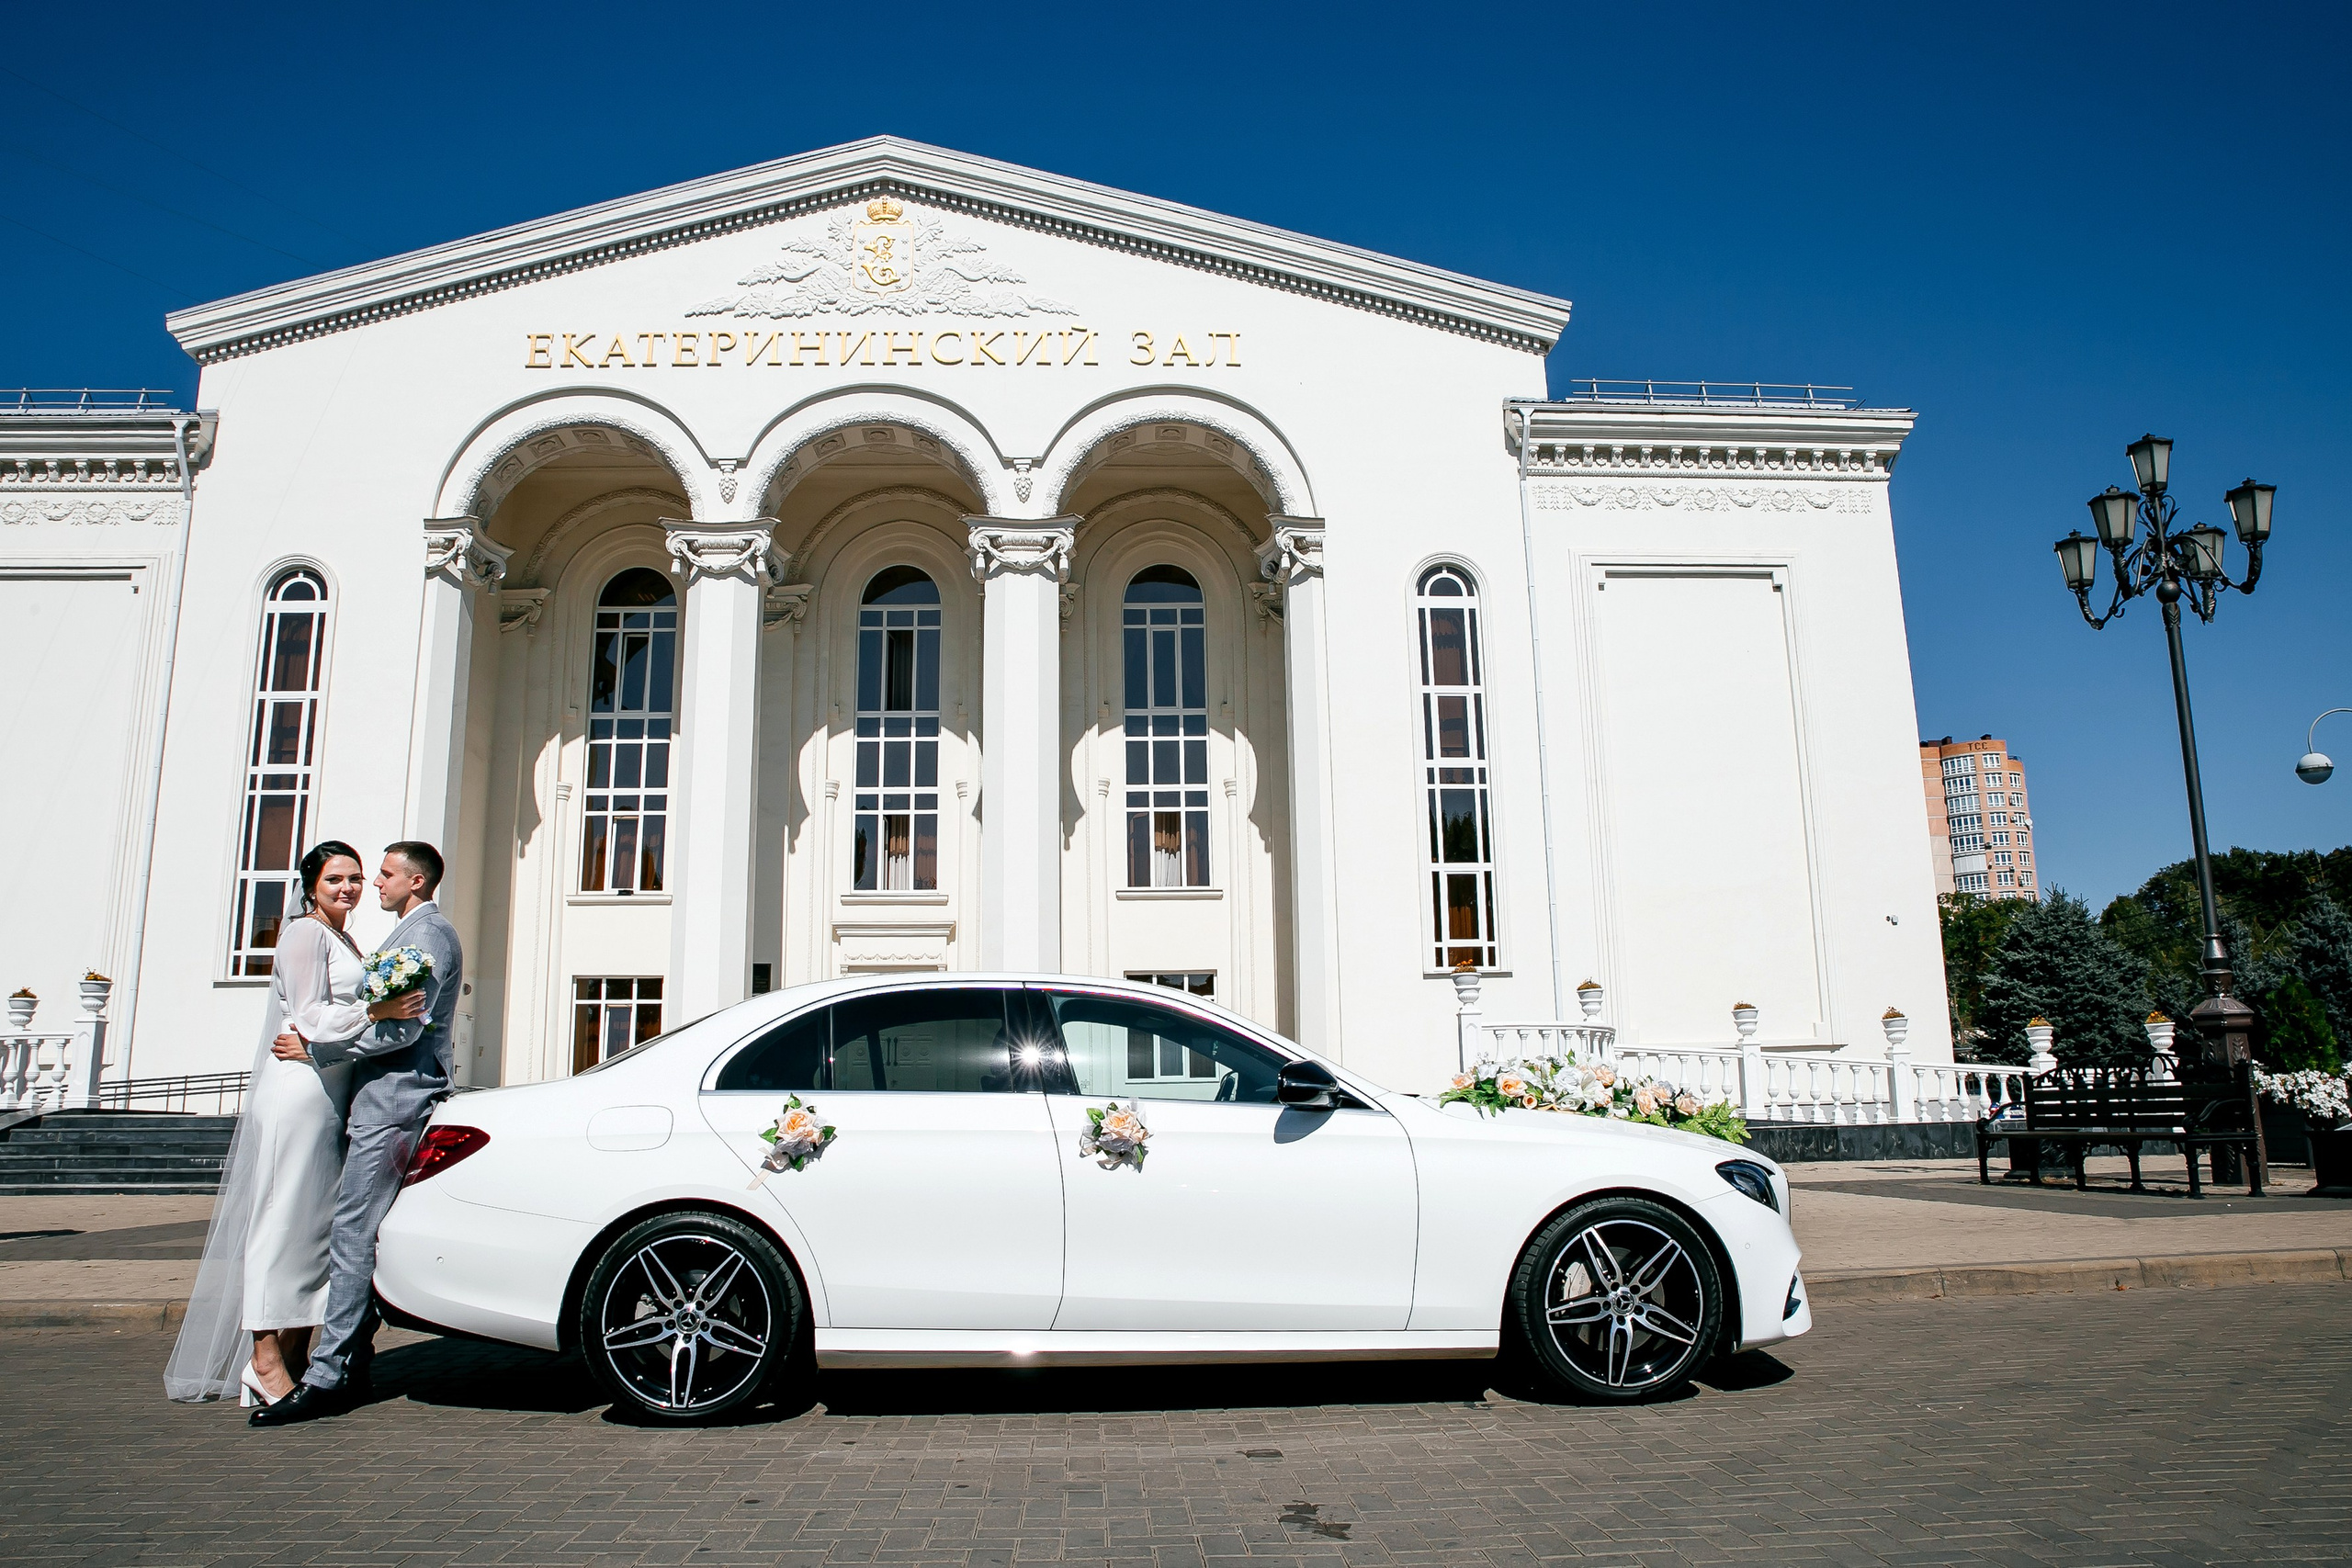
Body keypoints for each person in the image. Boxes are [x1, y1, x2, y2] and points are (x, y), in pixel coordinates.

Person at [163, 841, 427, 1405]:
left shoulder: (342, 937)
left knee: (311, 1229)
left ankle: (294, 1350)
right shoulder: (304, 933)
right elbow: (307, 1017)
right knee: (279, 1222)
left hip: (328, 1091)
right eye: (336, 878)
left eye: (357, 878)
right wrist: (375, 1011)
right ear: (311, 884)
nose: (349, 888)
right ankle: (262, 1358)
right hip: (296, 1091)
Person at [251, 840, 462, 1426]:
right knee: (348, 1227)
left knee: (351, 1232)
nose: (373, 885)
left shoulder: (425, 936)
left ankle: (330, 1372)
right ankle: (345, 1359)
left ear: (416, 883)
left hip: (392, 1098)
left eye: (384, 875)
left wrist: (320, 1047)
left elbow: (403, 1032)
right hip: (368, 1095)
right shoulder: (393, 934)